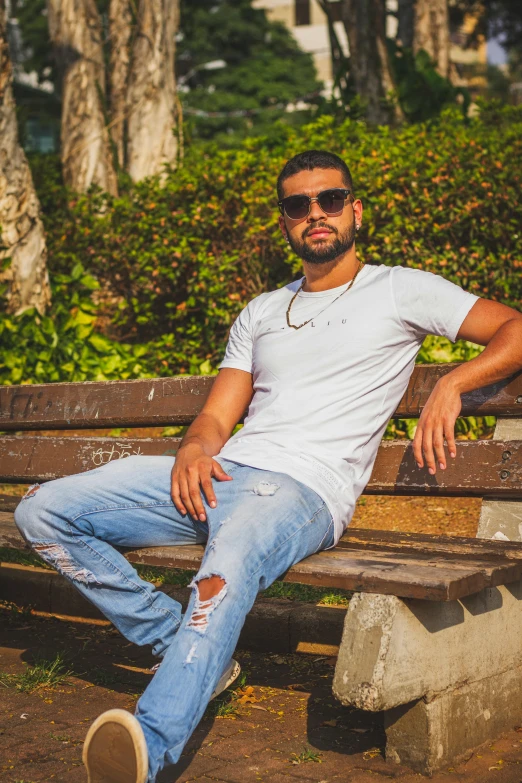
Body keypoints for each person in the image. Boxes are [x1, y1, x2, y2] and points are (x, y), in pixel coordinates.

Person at [14, 150, 522, 783]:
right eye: (297, 205)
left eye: (330, 200)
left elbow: (514, 329)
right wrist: (196, 448)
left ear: (354, 210)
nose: (316, 214)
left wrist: (453, 385)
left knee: (224, 568)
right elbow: (216, 417)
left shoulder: (399, 288)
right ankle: (179, 643)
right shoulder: (261, 311)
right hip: (223, 473)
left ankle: (149, 745)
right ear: (285, 222)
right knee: (43, 513)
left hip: (303, 491)